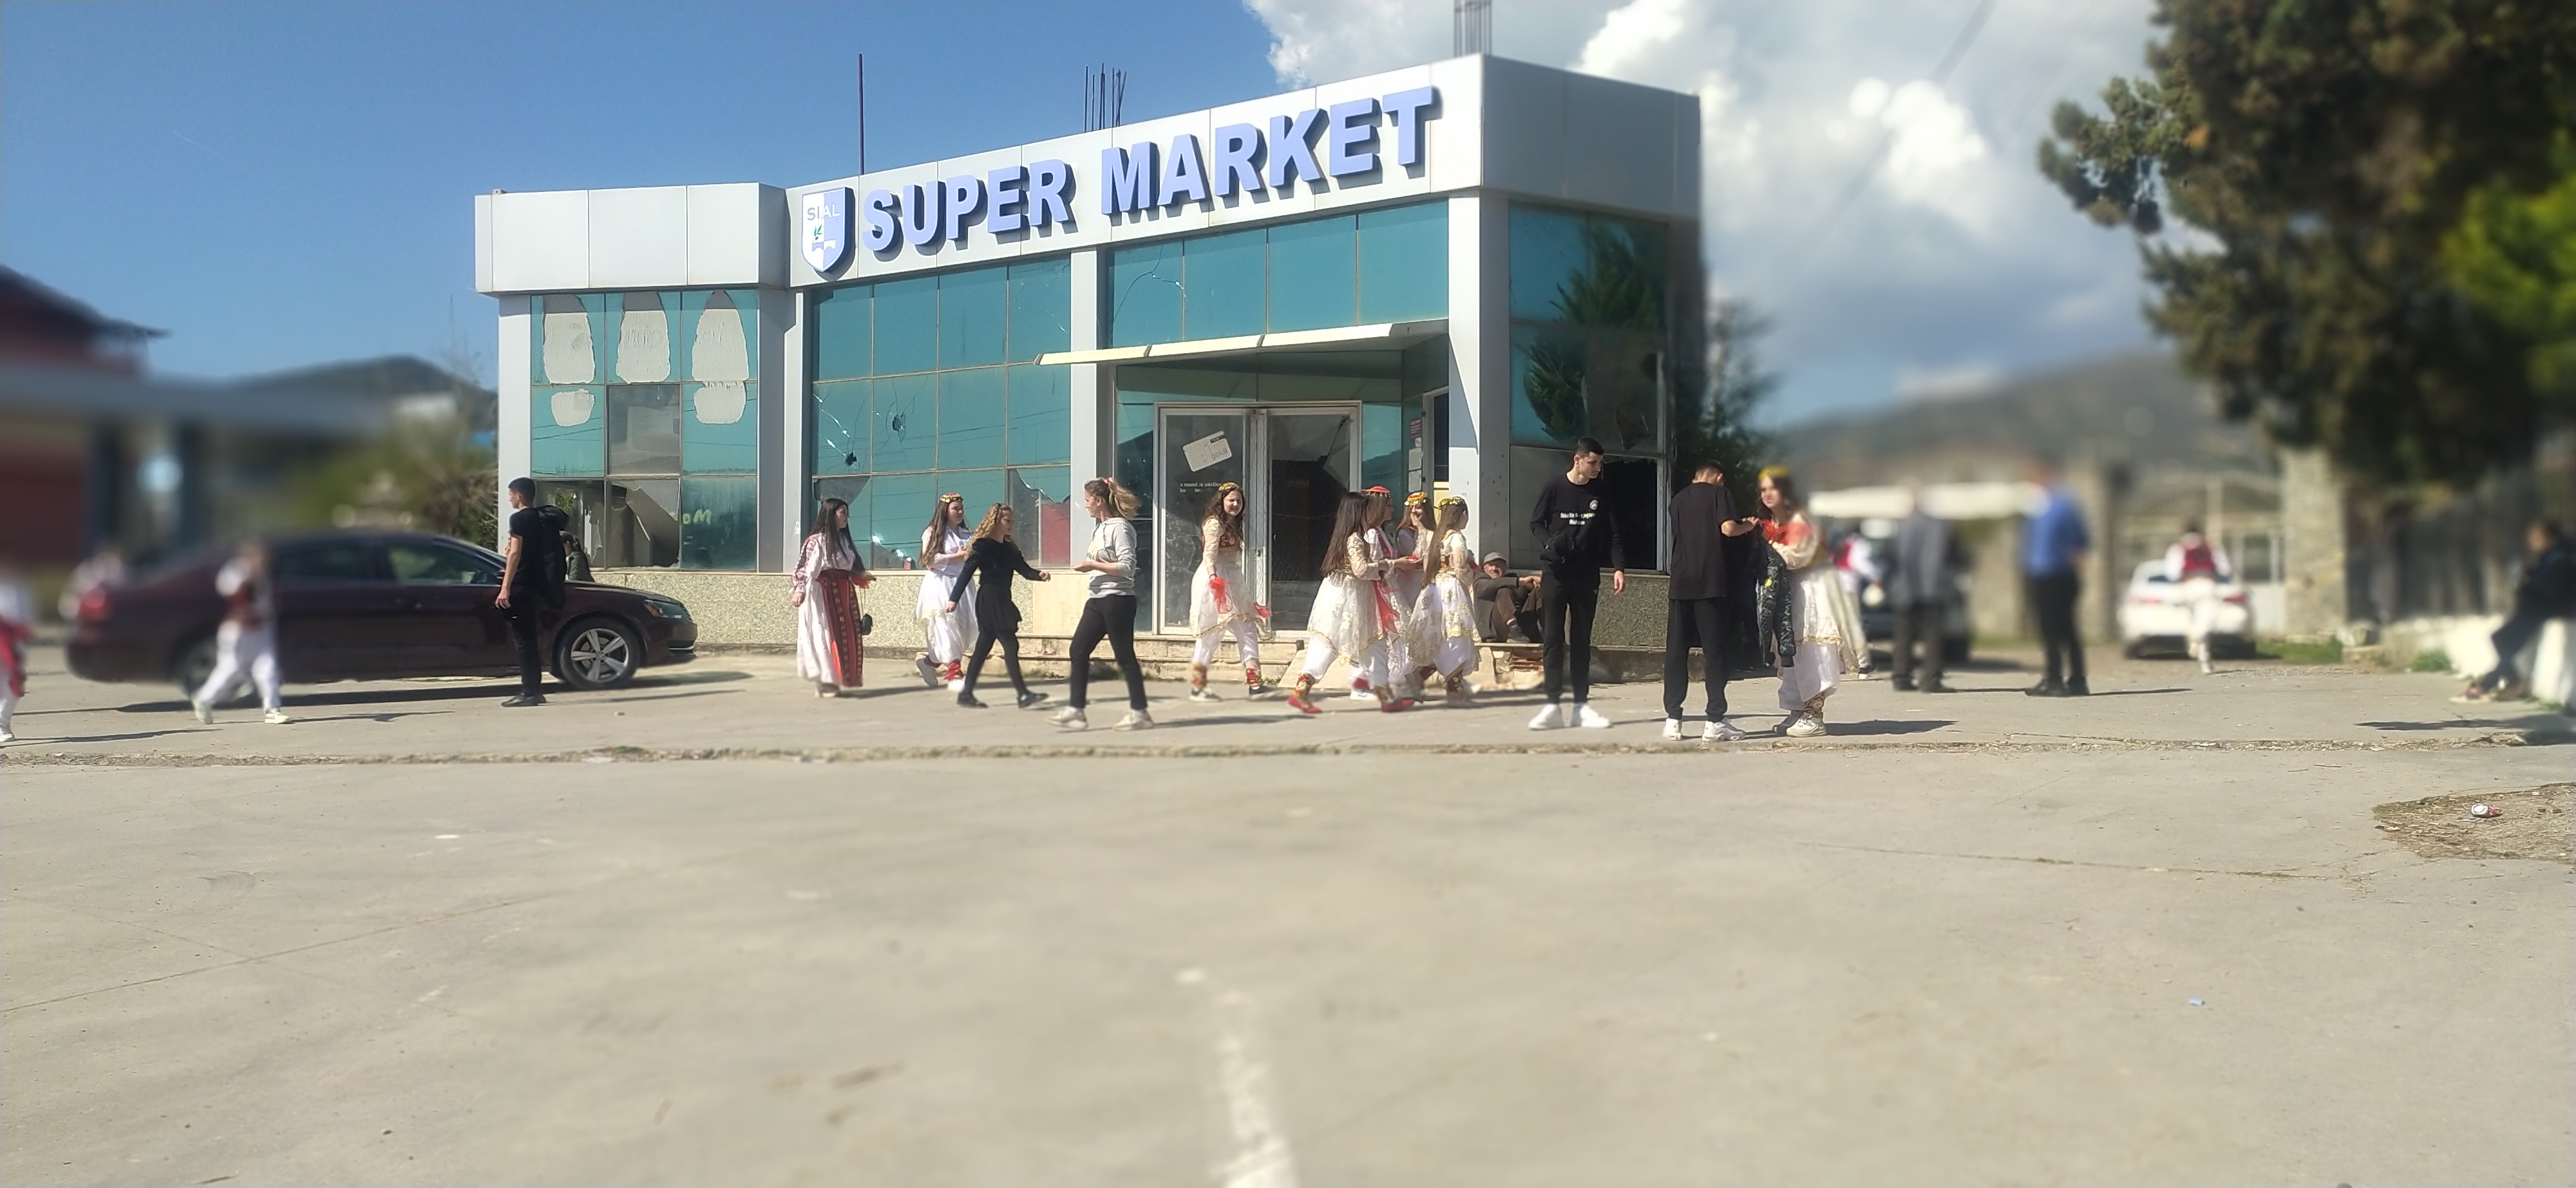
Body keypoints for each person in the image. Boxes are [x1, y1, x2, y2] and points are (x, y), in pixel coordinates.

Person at [1526, 436, 1626, 729]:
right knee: (1553, 639)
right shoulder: (1554, 486)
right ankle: (1552, 706)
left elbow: (1613, 532)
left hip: (1586, 574)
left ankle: (1581, 707)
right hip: (1556, 573)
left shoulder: (1601, 490)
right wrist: (1550, 544)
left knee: (1581, 640)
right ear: (1578, 459)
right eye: (1593, 463)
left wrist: (1619, 567)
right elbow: (1536, 523)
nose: (1597, 468)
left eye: (1600, 463)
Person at [1284, 491, 1410, 714]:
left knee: (1371, 642)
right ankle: (1302, 690)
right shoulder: (1354, 539)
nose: (1370, 512)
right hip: (1350, 595)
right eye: (1366, 508)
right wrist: (1386, 565)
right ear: (1357, 512)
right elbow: (1360, 570)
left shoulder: (1351, 536)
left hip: (1353, 594)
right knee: (1332, 642)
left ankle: (1382, 694)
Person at [1758, 467, 1862, 737]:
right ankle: (1797, 710)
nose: (1767, 494)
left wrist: (1765, 547)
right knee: (1791, 652)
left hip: (1812, 591)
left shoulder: (1801, 520)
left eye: (1773, 488)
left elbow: (1797, 556)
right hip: (1790, 593)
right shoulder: (1773, 522)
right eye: (1763, 489)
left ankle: (1813, 715)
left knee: (1812, 650)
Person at [1663, 461, 1760, 742]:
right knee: (1715, 653)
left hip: (1680, 582)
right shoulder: (1720, 493)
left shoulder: (1677, 499)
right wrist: (1749, 525)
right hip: (1710, 583)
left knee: (1676, 652)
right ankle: (1715, 719)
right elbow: (1728, 529)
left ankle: (1673, 720)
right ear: (1719, 477)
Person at [1050, 478, 1153, 731]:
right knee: (1078, 650)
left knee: (1124, 656)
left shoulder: (1120, 528)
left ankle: (1140, 713)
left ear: (1098, 501)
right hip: (1097, 599)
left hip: (1117, 599)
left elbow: (1127, 567)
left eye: (1087, 500)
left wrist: (1093, 564)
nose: (1085, 505)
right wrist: (1090, 565)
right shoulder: (1100, 529)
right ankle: (1076, 711)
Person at [2456, 519, 2575, 703]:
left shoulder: (2559, 557)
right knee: (2504, 642)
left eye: (2535, 539)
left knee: (2503, 641)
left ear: (2548, 537)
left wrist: (2527, 579)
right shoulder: (2551, 555)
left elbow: (2551, 587)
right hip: (2537, 607)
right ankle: (2500, 683)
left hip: (2543, 608)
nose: (2531, 543)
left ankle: (2495, 683)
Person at [948, 502, 1052, 710]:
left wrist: (1039, 575)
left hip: (1003, 599)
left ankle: (967, 693)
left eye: (1012, 521)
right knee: (1010, 645)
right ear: (996, 521)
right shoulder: (983, 546)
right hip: (989, 599)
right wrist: (954, 599)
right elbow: (966, 573)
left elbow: (1025, 571)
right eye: (1007, 520)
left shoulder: (1010, 549)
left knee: (983, 648)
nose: (1011, 524)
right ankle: (1023, 694)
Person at [191, 539, 290, 724]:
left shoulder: (264, 574)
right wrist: (251, 577)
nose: (262, 559)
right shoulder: (234, 572)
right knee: (232, 668)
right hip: (238, 631)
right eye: (257, 555)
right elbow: (236, 598)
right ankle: (204, 699)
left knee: (268, 668)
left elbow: (266, 602)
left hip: (261, 629)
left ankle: (272, 709)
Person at [1186, 482, 1269, 702]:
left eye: (1239, 501)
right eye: (1231, 500)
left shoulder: (1231, 523)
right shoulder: (1214, 523)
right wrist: (1215, 579)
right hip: (1214, 580)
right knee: (1210, 633)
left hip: (1232, 579)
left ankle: (1254, 679)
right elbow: (1209, 555)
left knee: (1247, 628)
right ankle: (1198, 685)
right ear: (1221, 501)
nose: (1235, 504)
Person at [496, 477, 569, 708]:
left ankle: (530, 691)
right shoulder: (543, 519)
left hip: (522, 585)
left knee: (524, 641)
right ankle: (533, 690)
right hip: (539, 586)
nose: (509, 499)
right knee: (529, 639)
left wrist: (505, 587)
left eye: (510, 494)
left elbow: (515, 554)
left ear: (519, 495)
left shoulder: (519, 519)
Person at [2022, 461, 2092, 696]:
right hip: (2053, 572)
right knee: (2065, 628)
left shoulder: (2054, 506)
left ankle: (2056, 679)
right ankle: (2075, 679)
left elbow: (2078, 542)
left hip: (2051, 573)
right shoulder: (2051, 506)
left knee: (2053, 629)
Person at [790, 497, 871, 696]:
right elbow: (803, 568)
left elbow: (849, 567)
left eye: (846, 512)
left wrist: (860, 575)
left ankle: (839, 678)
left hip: (843, 592)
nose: (846, 517)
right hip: (823, 593)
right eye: (842, 512)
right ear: (830, 514)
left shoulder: (844, 541)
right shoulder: (816, 541)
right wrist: (799, 590)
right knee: (825, 634)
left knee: (846, 635)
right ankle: (825, 681)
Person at [1408, 495, 1483, 704]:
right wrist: (1471, 577)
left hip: (1433, 589)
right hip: (1451, 589)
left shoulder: (1436, 538)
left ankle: (1422, 674)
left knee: (1438, 635)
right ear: (1463, 515)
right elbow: (1460, 566)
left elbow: (1426, 567)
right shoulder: (1457, 538)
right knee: (1457, 636)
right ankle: (1453, 685)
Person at [1887, 488, 1962, 693]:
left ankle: (1901, 676)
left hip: (1905, 587)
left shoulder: (1900, 527)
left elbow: (1890, 557)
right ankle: (1930, 679)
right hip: (1933, 586)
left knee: (1903, 633)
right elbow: (1953, 554)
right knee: (1933, 634)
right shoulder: (1940, 526)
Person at [914, 493, 977, 690]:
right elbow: (929, 559)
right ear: (945, 511)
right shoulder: (933, 532)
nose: (959, 512)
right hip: (941, 584)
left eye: (961, 509)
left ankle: (929, 662)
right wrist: (958, 556)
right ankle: (954, 672)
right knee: (947, 627)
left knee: (963, 629)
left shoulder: (966, 533)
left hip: (963, 584)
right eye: (955, 509)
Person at [2162, 521, 2235, 675]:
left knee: (2191, 620)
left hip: (2187, 586)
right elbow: (2225, 569)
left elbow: (2172, 573)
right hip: (2207, 584)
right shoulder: (2212, 546)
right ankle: (2203, 651)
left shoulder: (2178, 548)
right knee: (2206, 620)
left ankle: (2195, 640)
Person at [1472, 553, 1541, 642]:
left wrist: (1535, 583)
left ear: (1505, 567)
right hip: (1496, 630)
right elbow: (1492, 585)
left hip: (1522, 627)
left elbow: (1527, 590)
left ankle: (1547, 628)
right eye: (1491, 565)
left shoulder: (1513, 579)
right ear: (1484, 568)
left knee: (1539, 590)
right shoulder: (1480, 580)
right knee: (1504, 590)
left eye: (1498, 565)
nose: (1494, 568)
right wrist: (1520, 581)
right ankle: (1513, 628)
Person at [0, 564, 32, 745]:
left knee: (12, 682)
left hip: (13, 640)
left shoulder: (18, 586)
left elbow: (26, 615)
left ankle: (2, 723)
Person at [59, 544, 124, 621]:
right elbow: (70, 598)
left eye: (112, 562)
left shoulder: (119, 576)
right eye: (108, 560)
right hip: (80, 616)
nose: (110, 564)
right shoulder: (85, 571)